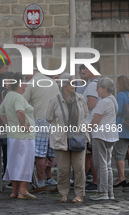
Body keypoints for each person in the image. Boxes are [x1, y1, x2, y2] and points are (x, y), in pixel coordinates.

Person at [46, 73, 89, 203]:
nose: (74, 86)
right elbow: (49, 118)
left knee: (79, 168)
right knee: (63, 170)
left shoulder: (80, 98)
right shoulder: (55, 100)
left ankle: (79, 194)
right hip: (61, 138)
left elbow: (86, 114)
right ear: (64, 85)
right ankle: (63, 193)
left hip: (78, 137)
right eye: (71, 83)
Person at [0, 72, 36, 200]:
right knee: (25, 162)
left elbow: (1, 112)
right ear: (19, 84)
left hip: (12, 135)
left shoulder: (8, 96)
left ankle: (14, 190)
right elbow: (19, 111)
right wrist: (23, 124)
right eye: (25, 83)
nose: (26, 86)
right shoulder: (19, 97)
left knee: (14, 163)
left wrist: (8, 123)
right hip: (23, 136)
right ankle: (23, 190)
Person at [23, 68, 60, 193]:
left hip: (40, 119)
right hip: (55, 120)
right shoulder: (52, 82)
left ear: (30, 72)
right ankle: (55, 180)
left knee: (40, 153)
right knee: (53, 152)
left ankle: (41, 183)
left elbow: (23, 101)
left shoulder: (32, 83)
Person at [89, 77, 119, 200]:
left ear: (105, 88)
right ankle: (109, 192)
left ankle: (102, 192)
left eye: (99, 88)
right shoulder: (113, 100)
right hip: (111, 135)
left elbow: (95, 121)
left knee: (100, 165)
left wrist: (86, 129)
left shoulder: (103, 102)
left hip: (101, 135)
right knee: (107, 165)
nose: (97, 90)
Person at [83, 62, 101, 192]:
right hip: (93, 124)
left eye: (86, 68)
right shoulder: (97, 84)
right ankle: (87, 180)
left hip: (90, 124)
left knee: (92, 154)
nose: (83, 70)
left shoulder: (92, 86)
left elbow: (91, 105)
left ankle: (95, 182)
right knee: (89, 155)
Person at [114, 75, 129, 187]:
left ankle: (121, 178)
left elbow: (118, 110)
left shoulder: (121, 95)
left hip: (122, 128)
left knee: (120, 154)